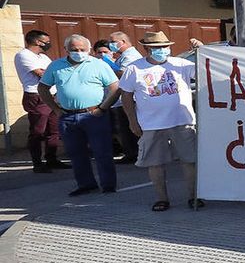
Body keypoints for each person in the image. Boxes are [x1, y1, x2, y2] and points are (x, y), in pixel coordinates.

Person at [118, 31, 203, 211]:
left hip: (182, 120)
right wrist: (132, 121)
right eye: (157, 48)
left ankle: (193, 196)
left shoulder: (182, 64)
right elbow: (126, 95)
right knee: (155, 163)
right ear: (147, 48)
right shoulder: (134, 68)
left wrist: (201, 51)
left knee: (190, 160)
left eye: (164, 47)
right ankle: (162, 198)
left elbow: (206, 72)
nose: (162, 50)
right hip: (151, 124)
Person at [38, 34, 121, 196]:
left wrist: (103, 108)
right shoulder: (56, 66)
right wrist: (55, 109)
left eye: (82, 49)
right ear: (66, 50)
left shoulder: (98, 65)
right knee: (76, 154)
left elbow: (114, 87)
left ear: (89, 49)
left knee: (102, 151)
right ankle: (86, 184)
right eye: (74, 50)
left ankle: (108, 185)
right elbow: (43, 88)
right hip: (67, 116)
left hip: (94, 114)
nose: (78, 52)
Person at [14, 30, 66, 173]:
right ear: (38, 41)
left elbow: (52, 71)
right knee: (38, 131)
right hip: (37, 95)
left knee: (53, 129)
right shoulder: (23, 55)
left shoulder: (43, 56)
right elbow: (41, 74)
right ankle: (37, 162)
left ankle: (52, 159)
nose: (48, 43)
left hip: (52, 95)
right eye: (46, 41)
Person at [106, 30, 142, 164]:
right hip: (122, 98)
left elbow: (124, 74)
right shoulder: (123, 56)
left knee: (129, 127)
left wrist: (107, 64)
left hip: (129, 98)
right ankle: (130, 152)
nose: (111, 45)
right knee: (124, 127)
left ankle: (134, 153)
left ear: (124, 42)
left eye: (113, 42)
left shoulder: (130, 55)